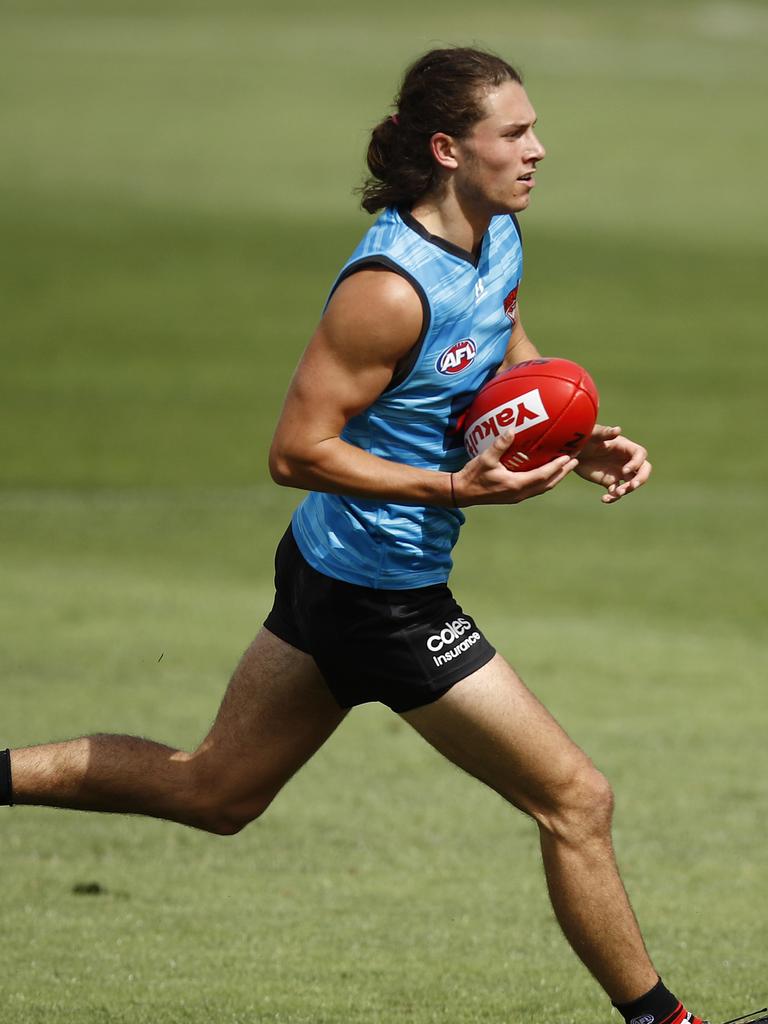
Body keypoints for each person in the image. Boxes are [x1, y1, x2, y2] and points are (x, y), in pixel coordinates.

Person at [2, 46, 708, 1024]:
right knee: (576, 800)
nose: (539, 149)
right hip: (381, 595)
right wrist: (451, 485)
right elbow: (295, 451)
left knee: (218, 790)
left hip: (334, 568)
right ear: (448, 148)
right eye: (516, 133)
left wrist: (573, 433)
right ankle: (661, 1019)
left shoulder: (495, 234)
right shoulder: (386, 286)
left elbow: (500, 336)